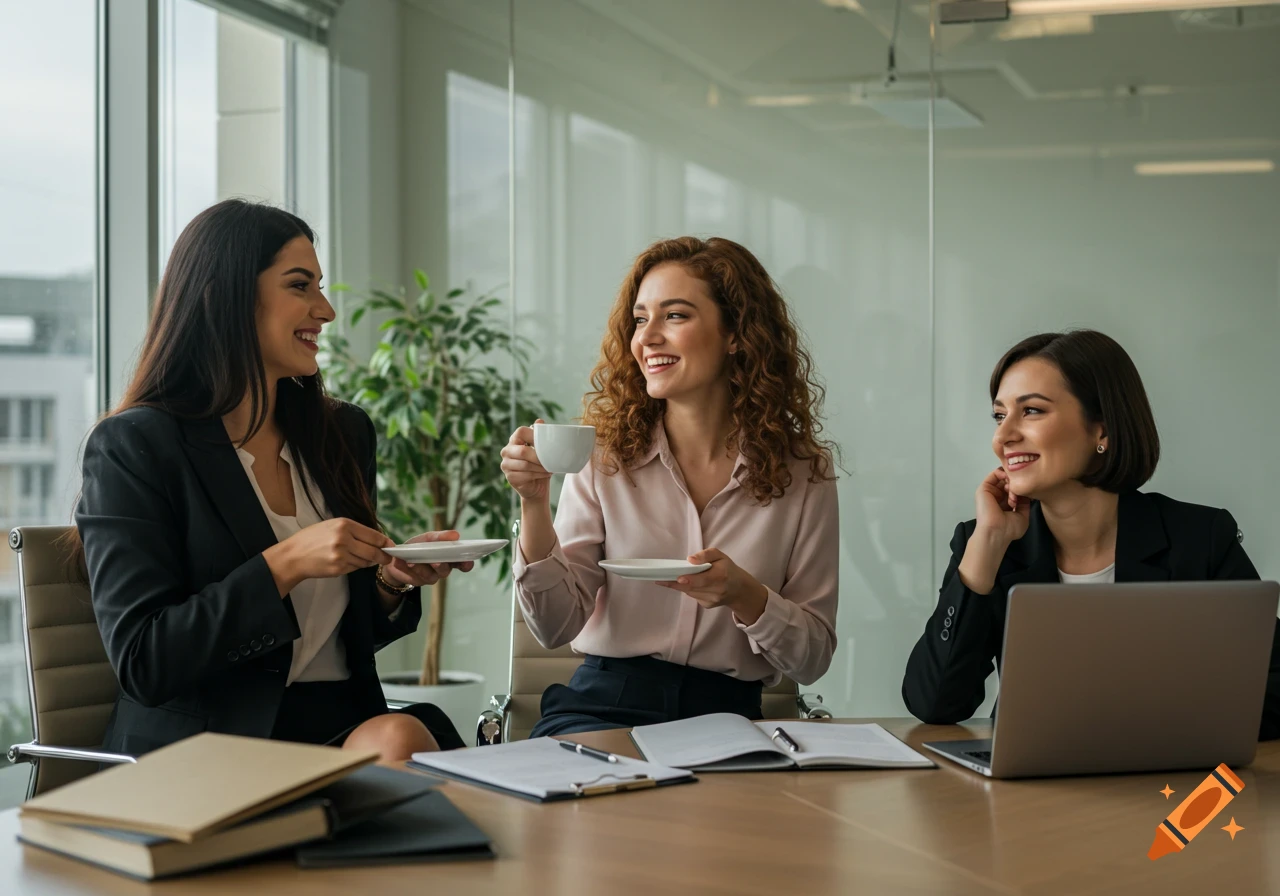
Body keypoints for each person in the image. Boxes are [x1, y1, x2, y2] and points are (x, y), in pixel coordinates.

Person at [75, 199, 472, 760]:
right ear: (226, 296)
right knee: (406, 751)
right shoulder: (135, 447)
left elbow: (340, 638)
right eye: (300, 286)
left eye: (320, 286)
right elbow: (145, 660)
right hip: (208, 748)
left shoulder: (344, 433)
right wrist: (286, 563)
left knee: (403, 741)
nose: (326, 310)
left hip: (344, 727)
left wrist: (391, 582)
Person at [500, 236, 839, 737]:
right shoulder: (604, 458)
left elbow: (811, 659)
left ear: (736, 334)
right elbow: (554, 627)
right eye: (640, 319)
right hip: (603, 705)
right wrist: (533, 504)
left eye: (675, 316)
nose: (647, 337)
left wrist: (746, 595)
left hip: (729, 718)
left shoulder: (804, 472)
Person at [902, 329, 1280, 740]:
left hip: (1169, 789)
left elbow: (1272, 691)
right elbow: (935, 705)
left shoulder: (1199, 538)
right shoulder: (988, 542)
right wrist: (985, 552)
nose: (1002, 435)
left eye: (1031, 411)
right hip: (1029, 790)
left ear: (1102, 430)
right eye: (999, 415)